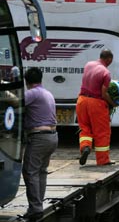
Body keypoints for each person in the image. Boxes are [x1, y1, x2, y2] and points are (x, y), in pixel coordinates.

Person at [22, 68, 58, 222]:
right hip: (52, 137)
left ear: (26, 81)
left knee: (30, 171)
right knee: (41, 172)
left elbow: (14, 101)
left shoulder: (32, 93)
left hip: (39, 138)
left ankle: (35, 209)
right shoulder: (47, 93)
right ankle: (38, 206)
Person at [77, 49, 115, 166]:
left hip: (82, 101)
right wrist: (112, 103)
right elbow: (104, 94)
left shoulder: (88, 65)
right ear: (109, 59)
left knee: (85, 128)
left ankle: (86, 147)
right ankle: (103, 160)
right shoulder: (106, 73)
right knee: (102, 132)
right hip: (96, 103)